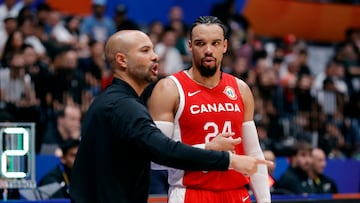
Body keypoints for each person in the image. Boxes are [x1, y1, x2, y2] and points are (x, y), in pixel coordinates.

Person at [69, 29, 273, 203]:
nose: (155, 56)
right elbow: (163, 150)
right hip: (188, 192)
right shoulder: (125, 106)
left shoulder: (111, 102)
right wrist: (227, 160)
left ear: (225, 46)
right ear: (122, 60)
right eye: (145, 50)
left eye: (153, 49)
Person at [147, 16, 271, 203]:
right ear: (189, 46)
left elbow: (254, 154)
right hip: (191, 192)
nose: (208, 50)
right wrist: (207, 149)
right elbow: (155, 159)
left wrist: (264, 200)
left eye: (215, 43)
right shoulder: (169, 89)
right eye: (200, 43)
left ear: (225, 46)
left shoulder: (241, 89)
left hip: (237, 193)